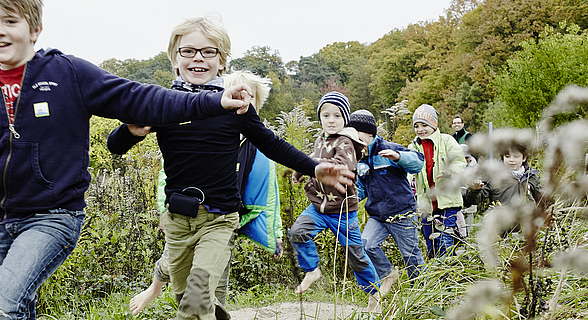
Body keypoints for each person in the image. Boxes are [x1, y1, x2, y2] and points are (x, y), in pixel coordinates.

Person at [0, 2, 256, 318]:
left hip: (53, 214)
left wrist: (215, 101)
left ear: (34, 29)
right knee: (17, 308)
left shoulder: (67, 73)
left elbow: (142, 98)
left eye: (10, 20)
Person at [107, 17, 353, 320]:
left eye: (208, 52)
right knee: (189, 300)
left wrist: (314, 167)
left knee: (196, 297)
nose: (198, 57)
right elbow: (115, 146)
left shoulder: (235, 107)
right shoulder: (164, 104)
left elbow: (270, 144)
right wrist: (131, 131)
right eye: (188, 51)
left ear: (221, 62)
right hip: (177, 220)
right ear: (174, 58)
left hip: (218, 219)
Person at [127, 70, 281, 316]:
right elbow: (167, 175)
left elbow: (268, 194)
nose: (242, 104)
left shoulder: (256, 145)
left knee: (214, 284)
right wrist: (163, 211)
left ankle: (212, 310)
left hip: (224, 220)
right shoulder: (203, 135)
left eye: (249, 100)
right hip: (185, 213)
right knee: (171, 264)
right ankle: (154, 290)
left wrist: (275, 233)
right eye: (236, 97)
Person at [288, 92, 382, 313]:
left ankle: (375, 294)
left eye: (337, 116)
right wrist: (301, 171)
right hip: (318, 207)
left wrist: (309, 163)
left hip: (343, 212)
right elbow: (313, 157)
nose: (331, 120)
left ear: (345, 119)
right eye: (326, 115)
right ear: (319, 118)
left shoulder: (347, 142)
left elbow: (341, 164)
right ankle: (312, 270)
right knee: (297, 232)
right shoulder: (320, 139)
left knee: (356, 256)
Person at [349, 110, 425, 294]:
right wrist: (350, 198)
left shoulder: (388, 149)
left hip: (402, 213)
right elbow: (361, 187)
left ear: (370, 134)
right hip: (378, 216)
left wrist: (398, 157)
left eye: (357, 135)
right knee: (366, 244)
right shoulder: (359, 158)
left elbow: (418, 162)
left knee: (411, 256)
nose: (354, 140)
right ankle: (388, 275)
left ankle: (420, 292)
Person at [408, 104, 467, 258]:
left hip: (447, 200)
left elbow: (460, 162)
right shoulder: (414, 147)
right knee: (431, 243)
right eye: (416, 126)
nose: (420, 129)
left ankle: (450, 275)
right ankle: (442, 274)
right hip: (426, 204)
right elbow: (409, 169)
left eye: (424, 125)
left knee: (444, 239)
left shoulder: (447, 141)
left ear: (433, 125)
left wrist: (451, 172)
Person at [465, 143, 543, 234]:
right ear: (502, 158)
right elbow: (474, 200)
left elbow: (541, 199)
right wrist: (474, 190)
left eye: (516, 156)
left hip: (526, 229)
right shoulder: (494, 176)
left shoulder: (531, 176)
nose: (511, 160)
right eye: (507, 156)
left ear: (524, 158)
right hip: (500, 231)